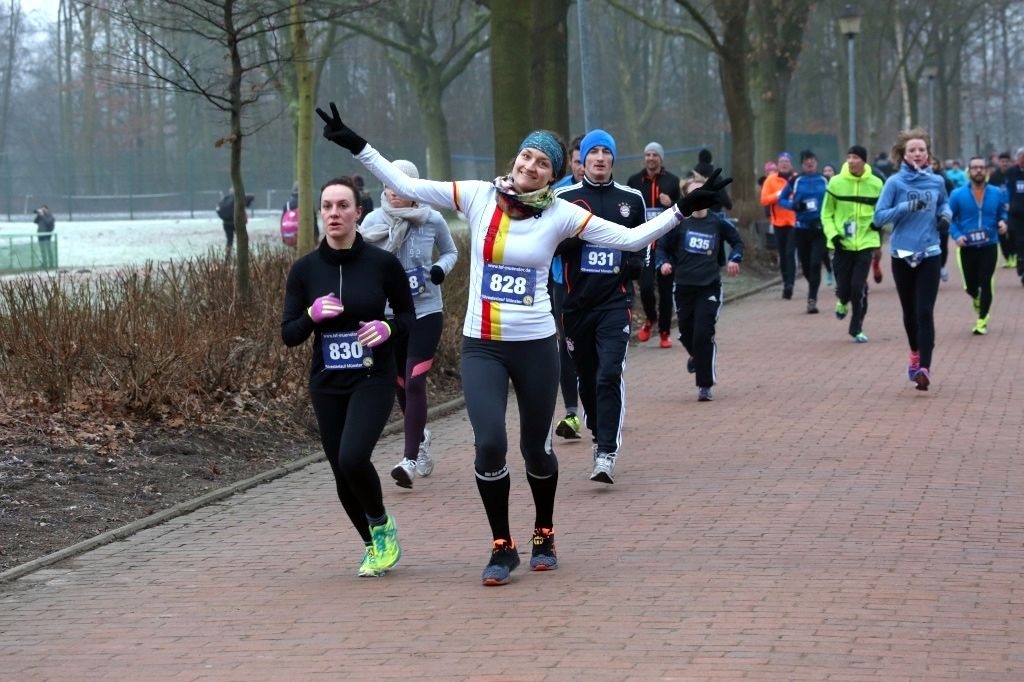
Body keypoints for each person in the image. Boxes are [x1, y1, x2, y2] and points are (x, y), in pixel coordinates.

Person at [316, 101, 730, 585]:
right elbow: (409, 185)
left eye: (543, 163)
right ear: (516, 158)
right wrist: (356, 144)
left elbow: (632, 240)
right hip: (483, 346)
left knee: (537, 450)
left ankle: (544, 532)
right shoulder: (478, 197)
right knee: (490, 445)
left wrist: (682, 210)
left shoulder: (562, 214)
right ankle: (502, 545)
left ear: (554, 175)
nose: (531, 166)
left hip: (535, 346)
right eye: (527, 156)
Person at [281, 176, 415, 578]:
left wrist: (388, 328)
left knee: (353, 456)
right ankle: (373, 545)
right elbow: (289, 334)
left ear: (359, 212)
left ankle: (381, 524)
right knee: (341, 469)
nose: (334, 213)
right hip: (327, 381)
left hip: (373, 375)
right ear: (320, 213)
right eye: (327, 206)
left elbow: (409, 317)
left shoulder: (382, 264)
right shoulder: (305, 270)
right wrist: (310, 315)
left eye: (343, 206)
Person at [358, 160, 459, 489]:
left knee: (414, 382)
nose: (393, 192)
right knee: (400, 384)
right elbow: (359, 262)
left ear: (414, 189)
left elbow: (451, 252)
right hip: (390, 318)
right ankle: (421, 436)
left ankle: (409, 460)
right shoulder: (372, 222)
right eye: (389, 185)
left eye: (400, 186)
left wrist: (439, 269)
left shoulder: (432, 219)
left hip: (426, 312)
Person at [553, 129, 646, 484]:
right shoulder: (564, 198)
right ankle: (596, 426)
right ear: (584, 159)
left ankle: (606, 451)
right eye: (594, 152)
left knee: (609, 373)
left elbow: (644, 241)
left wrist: (635, 265)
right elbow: (550, 244)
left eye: (607, 152)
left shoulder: (631, 199)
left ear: (613, 159)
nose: (601, 158)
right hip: (576, 304)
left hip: (615, 302)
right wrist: (577, 238)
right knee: (587, 377)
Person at [873, 127, 951, 391]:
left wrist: (945, 217)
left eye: (922, 150)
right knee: (910, 312)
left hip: (930, 252)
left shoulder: (936, 181)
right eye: (912, 150)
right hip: (902, 254)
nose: (917, 154)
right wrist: (906, 207)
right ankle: (915, 353)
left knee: (925, 311)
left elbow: (944, 203)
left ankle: (924, 369)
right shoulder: (894, 183)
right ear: (903, 154)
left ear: (928, 154)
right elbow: (878, 217)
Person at [656, 178, 744, 402]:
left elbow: (737, 242)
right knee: (687, 333)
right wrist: (663, 263)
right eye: (692, 194)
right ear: (686, 197)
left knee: (703, 333)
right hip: (683, 287)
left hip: (709, 286)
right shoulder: (678, 222)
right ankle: (698, 357)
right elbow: (661, 247)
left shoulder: (717, 222)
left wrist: (735, 258)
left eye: (701, 193)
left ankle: (705, 385)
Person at [821, 145, 883, 343]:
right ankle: (842, 299)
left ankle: (856, 328)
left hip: (865, 242)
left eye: (855, 157)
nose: (851, 161)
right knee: (843, 288)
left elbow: (883, 210)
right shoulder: (836, 182)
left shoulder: (876, 184)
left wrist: (878, 223)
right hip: (841, 244)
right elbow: (826, 213)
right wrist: (833, 235)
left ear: (863, 160)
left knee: (858, 288)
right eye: (848, 157)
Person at [626, 141, 681, 348]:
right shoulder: (634, 181)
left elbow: (683, 210)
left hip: (666, 245)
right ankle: (651, 319)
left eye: (654, 155)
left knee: (666, 292)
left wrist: (671, 204)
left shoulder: (672, 181)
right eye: (648, 154)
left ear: (661, 158)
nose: (650, 158)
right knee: (646, 287)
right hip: (644, 243)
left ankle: (665, 332)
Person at [948, 157, 1008, 335]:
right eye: (975, 168)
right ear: (969, 172)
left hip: (989, 244)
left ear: (986, 171)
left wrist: (1003, 222)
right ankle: (975, 296)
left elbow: (1002, 213)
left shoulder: (996, 193)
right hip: (967, 246)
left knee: (986, 281)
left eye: (982, 167)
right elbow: (949, 218)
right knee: (970, 286)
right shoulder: (957, 194)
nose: (979, 171)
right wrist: (957, 235)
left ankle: (982, 320)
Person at [552, 134, 584, 440]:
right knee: (566, 343)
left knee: (596, 345)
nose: (582, 167)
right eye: (577, 161)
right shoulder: (559, 194)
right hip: (563, 282)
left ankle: (602, 402)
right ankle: (572, 412)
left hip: (599, 284)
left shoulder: (610, 196)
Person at [779, 150, 828, 313]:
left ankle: (812, 299)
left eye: (812, 160)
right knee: (806, 267)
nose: (809, 163)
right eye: (806, 160)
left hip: (820, 229)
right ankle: (813, 285)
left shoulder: (825, 180)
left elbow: (835, 199)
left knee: (815, 263)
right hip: (801, 229)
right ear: (802, 164)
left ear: (816, 162)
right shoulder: (796, 180)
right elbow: (781, 200)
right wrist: (794, 206)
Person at [761, 152, 798, 299]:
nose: (784, 164)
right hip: (778, 222)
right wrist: (778, 195)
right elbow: (764, 200)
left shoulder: (797, 179)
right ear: (778, 164)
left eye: (787, 161)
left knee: (790, 253)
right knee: (782, 253)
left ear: (791, 164)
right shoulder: (771, 180)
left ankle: (790, 284)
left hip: (794, 222)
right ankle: (785, 281)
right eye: (781, 161)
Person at [987, 151, 1015, 269]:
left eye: (1006, 162)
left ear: (1010, 162)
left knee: (1013, 233)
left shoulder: (1014, 174)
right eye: (1002, 161)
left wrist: (1013, 204)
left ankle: (1015, 256)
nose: (1004, 164)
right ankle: (1008, 258)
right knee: (1002, 234)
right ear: (999, 162)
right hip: (999, 209)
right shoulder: (994, 176)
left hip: (1014, 209)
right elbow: (989, 191)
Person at [930, 157, 955, 282]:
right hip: (928, 217)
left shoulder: (944, 180)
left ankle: (942, 266)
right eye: (930, 163)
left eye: (935, 163)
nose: (932, 166)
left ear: (939, 165)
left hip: (942, 216)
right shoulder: (922, 179)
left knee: (943, 243)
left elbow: (951, 196)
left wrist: (947, 212)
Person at [1004, 147, 1024, 285]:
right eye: (1022, 157)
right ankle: (1021, 264)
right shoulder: (1011, 173)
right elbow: (1007, 189)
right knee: (1018, 241)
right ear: (1018, 159)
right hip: (1016, 214)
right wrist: (1006, 203)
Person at [216, 190, 253, 258]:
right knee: (242, 239)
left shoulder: (225, 199)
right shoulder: (239, 199)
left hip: (226, 223)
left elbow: (218, 209)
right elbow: (251, 198)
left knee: (229, 240)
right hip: (237, 223)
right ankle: (242, 256)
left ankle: (227, 257)